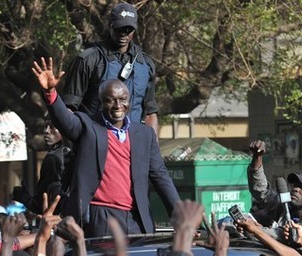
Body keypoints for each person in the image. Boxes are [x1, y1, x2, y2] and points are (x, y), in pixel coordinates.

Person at [32, 57, 180, 237]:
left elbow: (161, 177)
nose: (118, 105)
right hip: (99, 216)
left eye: (122, 99)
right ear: (101, 103)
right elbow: (66, 122)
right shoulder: (87, 126)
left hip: (136, 220)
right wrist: (50, 93)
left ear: (129, 101)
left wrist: (181, 220)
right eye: (111, 100)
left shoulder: (145, 135)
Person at [61, 2, 160, 136]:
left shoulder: (146, 64)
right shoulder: (89, 59)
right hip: (98, 142)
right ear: (110, 25)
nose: (123, 34)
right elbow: (68, 109)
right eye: (119, 28)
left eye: (128, 29)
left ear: (135, 30)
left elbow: (150, 113)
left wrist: (153, 151)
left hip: (133, 143)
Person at [247, 139, 302, 249]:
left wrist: (252, 228)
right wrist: (258, 157)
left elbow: (280, 235)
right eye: (295, 185)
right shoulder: (286, 205)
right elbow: (262, 191)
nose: (295, 189)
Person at [18, 117, 71, 215]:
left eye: (52, 127)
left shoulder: (53, 158)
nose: (46, 131)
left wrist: (23, 197)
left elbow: (42, 202)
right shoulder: (68, 152)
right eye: (45, 126)